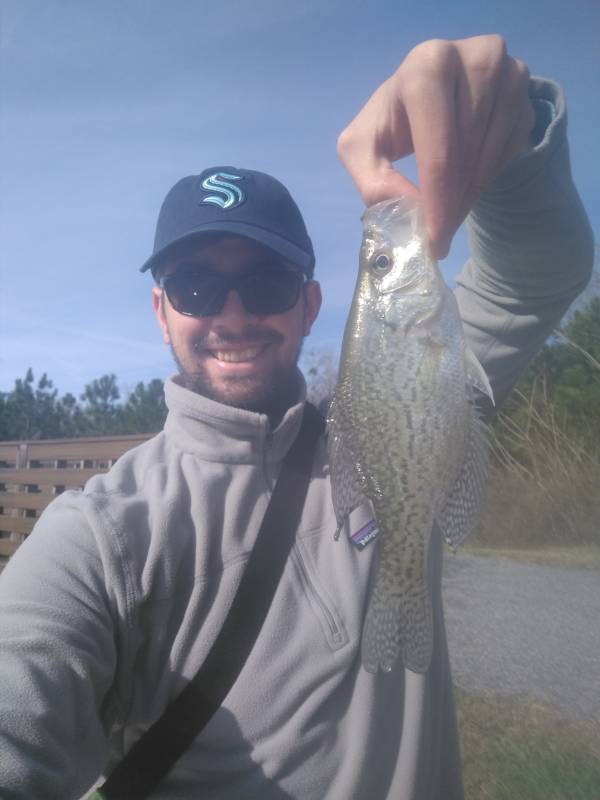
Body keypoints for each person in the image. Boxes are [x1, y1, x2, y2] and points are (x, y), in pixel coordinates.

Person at [0, 35, 593, 800]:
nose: (235, 314)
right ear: (161, 310)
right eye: (196, 287)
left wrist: (510, 131)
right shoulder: (102, 537)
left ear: (312, 304)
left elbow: (535, 275)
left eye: (269, 279)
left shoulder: (382, 403)